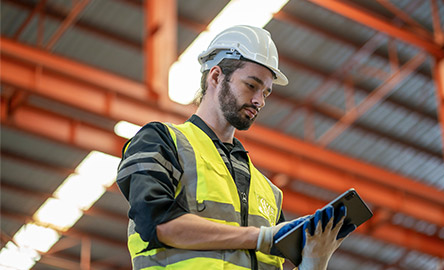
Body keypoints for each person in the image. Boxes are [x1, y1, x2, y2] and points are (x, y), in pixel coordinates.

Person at [116, 25, 355, 270]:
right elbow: (156, 222)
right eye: (251, 86)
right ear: (216, 77)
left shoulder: (269, 193)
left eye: (266, 93)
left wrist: (313, 263)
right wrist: (260, 237)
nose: (259, 101)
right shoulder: (163, 141)